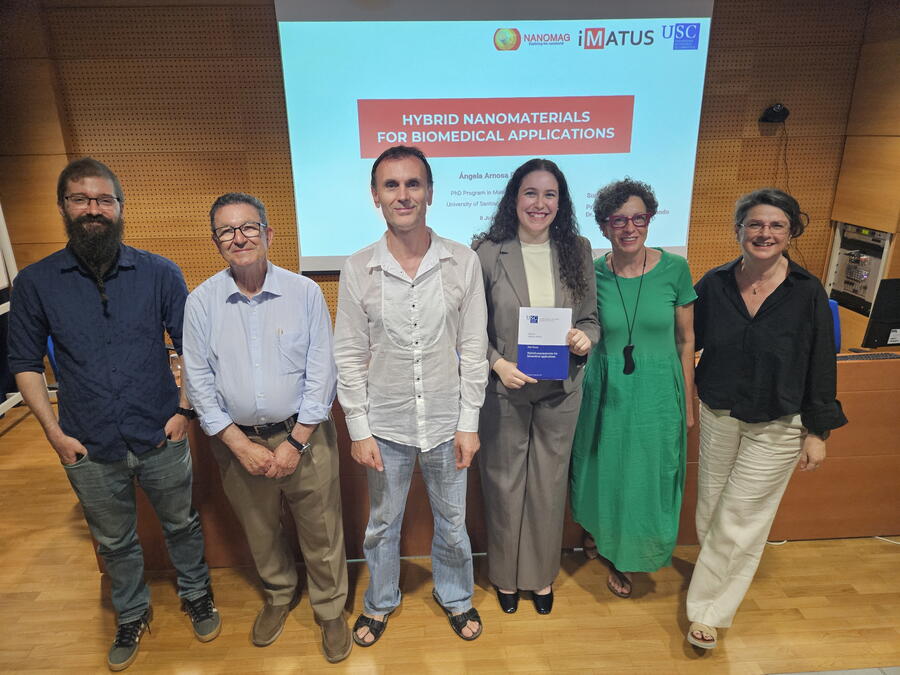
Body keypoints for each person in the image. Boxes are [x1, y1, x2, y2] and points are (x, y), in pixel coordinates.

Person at [8, 157, 219, 671]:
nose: (93, 209)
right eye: (81, 199)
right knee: (114, 540)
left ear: (120, 208)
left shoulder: (159, 272)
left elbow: (192, 345)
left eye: (104, 200)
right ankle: (130, 612)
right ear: (64, 207)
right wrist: (54, 433)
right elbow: (23, 363)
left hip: (159, 431)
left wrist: (185, 411)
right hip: (85, 441)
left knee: (183, 525)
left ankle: (196, 594)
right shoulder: (36, 283)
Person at [182, 193, 351, 663]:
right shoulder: (201, 302)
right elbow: (197, 382)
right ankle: (279, 595)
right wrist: (238, 444)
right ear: (216, 242)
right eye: (227, 231)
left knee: (322, 530)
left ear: (268, 234)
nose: (239, 238)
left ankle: (330, 608)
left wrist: (296, 442)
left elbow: (323, 373)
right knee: (260, 530)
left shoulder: (305, 293)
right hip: (237, 444)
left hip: (307, 437)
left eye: (249, 227)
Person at [334, 145, 488, 645]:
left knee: (453, 522)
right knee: (382, 524)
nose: (403, 195)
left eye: (413, 184)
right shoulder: (359, 268)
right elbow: (350, 355)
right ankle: (380, 602)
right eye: (392, 185)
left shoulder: (462, 262)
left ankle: (456, 597)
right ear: (375, 195)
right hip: (387, 424)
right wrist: (358, 428)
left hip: (447, 421)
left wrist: (469, 423)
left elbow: (473, 348)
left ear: (430, 192)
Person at [685, 188, 847, 650]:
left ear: (791, 231)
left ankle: (707, 613)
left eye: (776, 225)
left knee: (742, 516)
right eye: (755, 224)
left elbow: (821, 363)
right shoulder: (713, 284)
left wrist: (818, 431)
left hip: (779, 421)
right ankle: (713, 584)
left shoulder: (807, 290)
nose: (765, 233)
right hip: (720, 412)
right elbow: (684, 341)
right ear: (738, 230)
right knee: (713, 508)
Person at [473, 158, 599, 615]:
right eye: (530, 193)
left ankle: (540, 579)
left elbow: (589, 317)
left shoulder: (577, 248)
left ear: (560, 202)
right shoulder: (488, 251)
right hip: (505, 389)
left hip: (560, 390)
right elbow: (470, 329)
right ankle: (506, 577)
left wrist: (587, 338)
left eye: (550, 194)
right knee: (504, 487)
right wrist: (497, 363)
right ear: (514, 197)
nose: (539, 203)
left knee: (547, 489)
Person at [569, 178, 696, 600]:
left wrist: (688, 401)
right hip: (605, 386)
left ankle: (627, 555)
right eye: (618, 219)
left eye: (638, 218)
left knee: (647, 476)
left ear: (650, 220)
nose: (629, 227)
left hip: (659, 389)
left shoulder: (675, 269)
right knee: (603, 469)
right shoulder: (592, 272)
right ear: (604, 226)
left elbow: (685, 341)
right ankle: (599, 533)